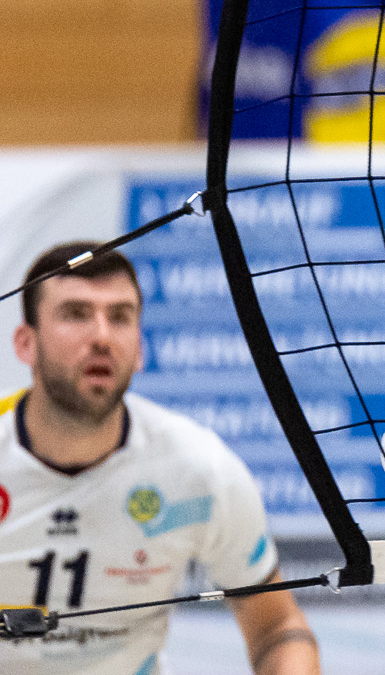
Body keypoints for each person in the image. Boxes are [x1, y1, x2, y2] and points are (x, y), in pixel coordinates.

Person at [0, 243, 318, 674]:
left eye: (120, 317)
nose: (101, 336)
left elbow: (278, 626)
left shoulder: (199, 470)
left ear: (140, 350)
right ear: (25, 343)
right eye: (76, 313)